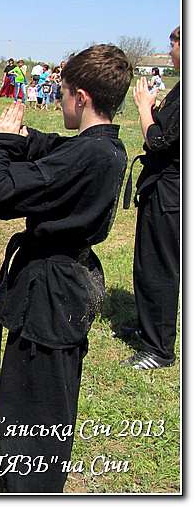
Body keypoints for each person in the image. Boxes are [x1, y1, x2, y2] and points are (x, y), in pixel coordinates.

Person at [0, 44, 132, 493]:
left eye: (63, 93)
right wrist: (27, 139)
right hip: (61, 284)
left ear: (80, 97)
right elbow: (59, 150)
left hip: (52, 294)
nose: (61, 100)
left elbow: (1, 192)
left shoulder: (91, 158)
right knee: (28, 392)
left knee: (39, 402)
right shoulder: (104, 147)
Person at [121, 26, 180, 370]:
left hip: (171, 191)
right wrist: (155, 110)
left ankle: (159, 349)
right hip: (158, 185)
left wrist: (144, 108)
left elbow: (158, 142)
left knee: (160, 266)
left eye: (174, 44)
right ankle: (148, 328)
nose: (170, 51)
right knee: (146, 262)